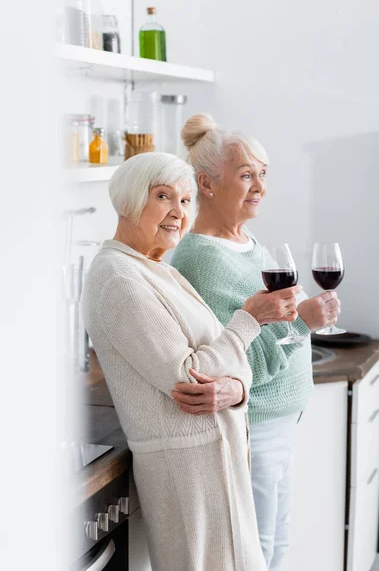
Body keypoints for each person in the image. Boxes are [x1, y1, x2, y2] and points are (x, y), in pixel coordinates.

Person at [82, 152, 301, 571]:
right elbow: (188, 376)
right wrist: (250, 319)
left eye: (184, 201)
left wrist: (236, 389)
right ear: (128, 202)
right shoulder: (118, 279)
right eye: (163, 196)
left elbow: (221, 357)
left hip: (213, 464)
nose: (178, 213)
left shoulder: (154, 268)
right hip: (188, 475)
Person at [171, 114, 341, 571]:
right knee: (256, 554)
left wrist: (298, 319)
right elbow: (230, 361)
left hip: (280, 421)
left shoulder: (244, 242)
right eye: (247, 175)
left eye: (263, 174)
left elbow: (271, 320)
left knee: (276, 547)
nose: (260, 186)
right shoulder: (201, 259)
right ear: (207, 184)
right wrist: (302, 323)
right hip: (254, 427)